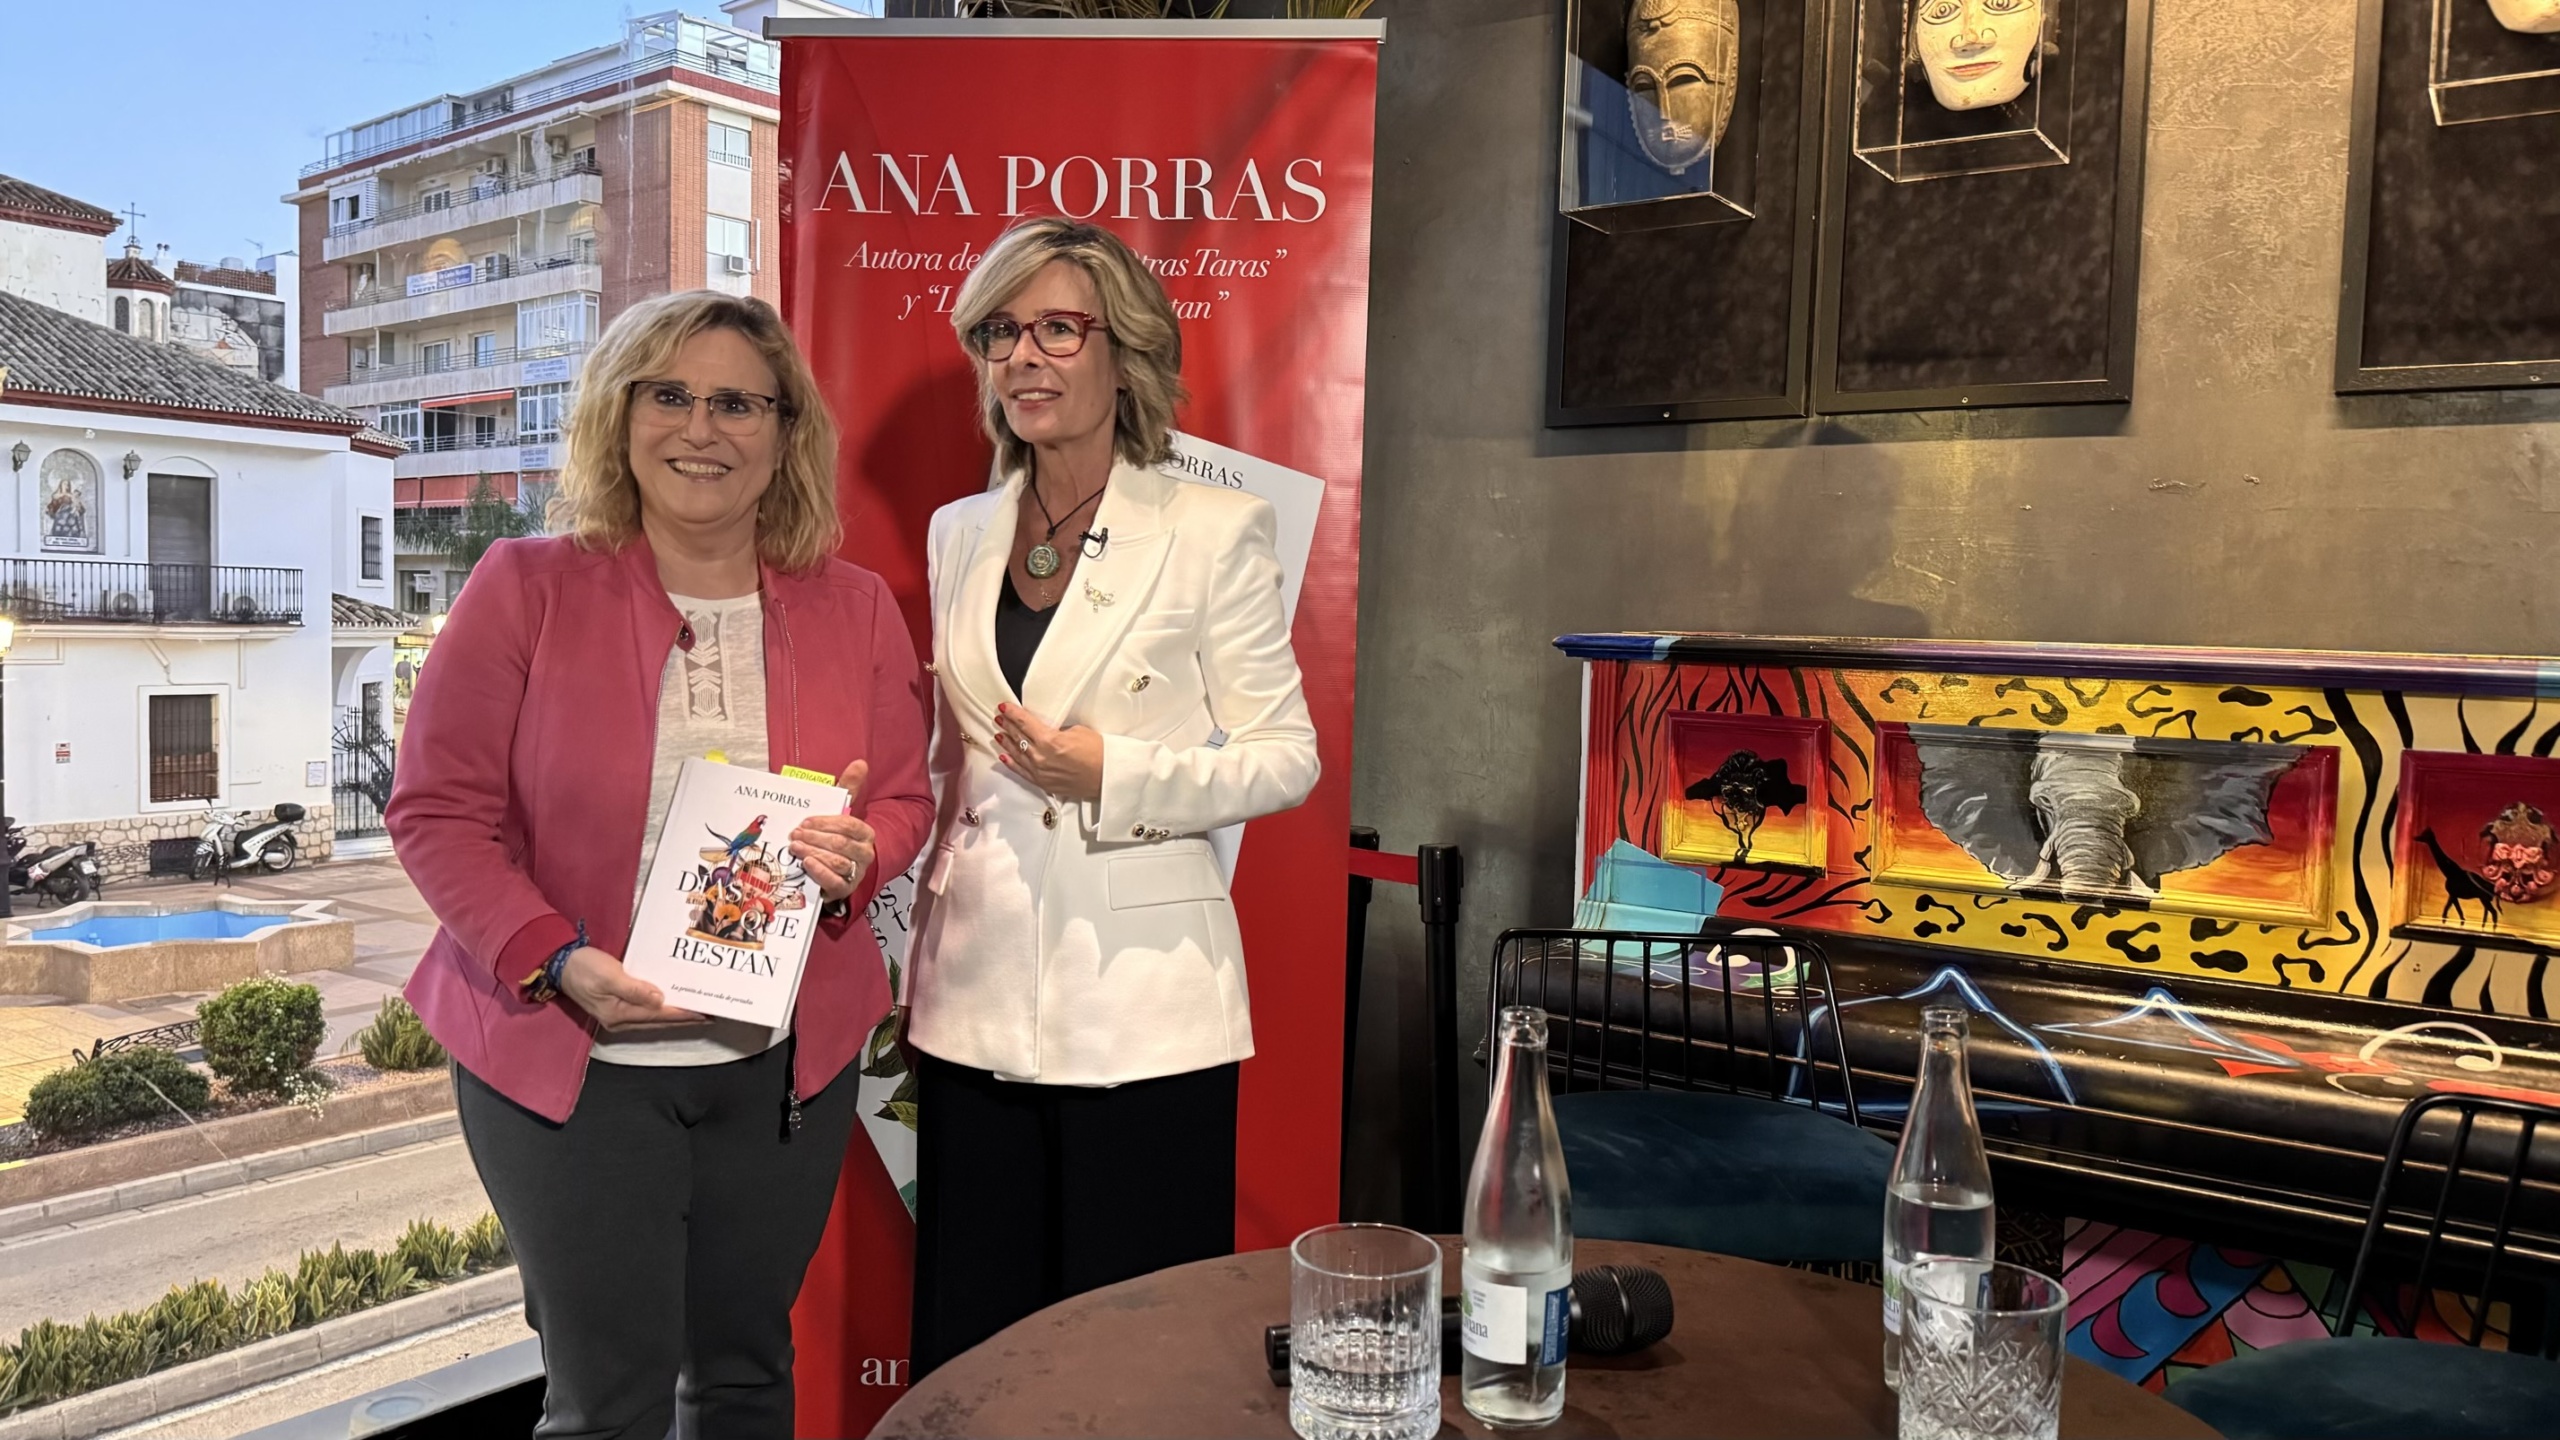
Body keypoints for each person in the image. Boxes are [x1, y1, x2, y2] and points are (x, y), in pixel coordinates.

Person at [387, 290, 934, 1439]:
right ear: (618, 414)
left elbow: (899, 798)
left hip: (777, 1070)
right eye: (669, 395)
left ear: (784, 432)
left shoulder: (853, 607)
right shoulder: (524, 586)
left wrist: (864, 851)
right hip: (574, 1060)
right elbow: (437, 812)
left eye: (737, 403)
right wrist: (557, 959)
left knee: (744, 1377)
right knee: (607, 1408)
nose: (700, 428)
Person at [902, 217, 1320, 1375]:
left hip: (1144, 1002)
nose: (1022, 357)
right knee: (977, 1346)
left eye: (1056, 329)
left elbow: (1285, 757)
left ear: (1124, 352)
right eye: (1000, 333)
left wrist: (1114, 775)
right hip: (973, 990)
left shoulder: (1212, 528)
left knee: (1138, 1359)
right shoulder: (957, 532)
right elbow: (949, 761)